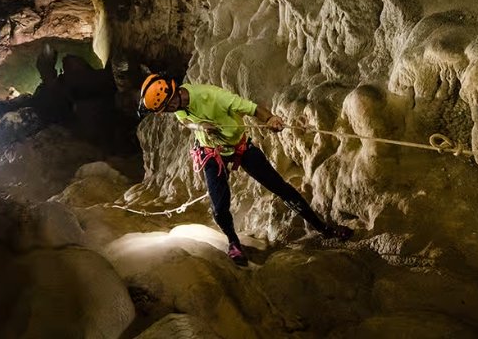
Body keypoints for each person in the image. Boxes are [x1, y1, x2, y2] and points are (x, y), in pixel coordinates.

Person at [138, 73, 353, 265]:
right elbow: (186, 122)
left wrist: (270, 119)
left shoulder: (212, 96)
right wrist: (201, 126)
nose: (166, 112)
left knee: (279, 187)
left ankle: (323, 229)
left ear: (172, 99)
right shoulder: (179, 109)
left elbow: (250, 107)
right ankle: (233, 242)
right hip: (211, 151)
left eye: (165, 108)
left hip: (239, 146)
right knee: (219, 207)